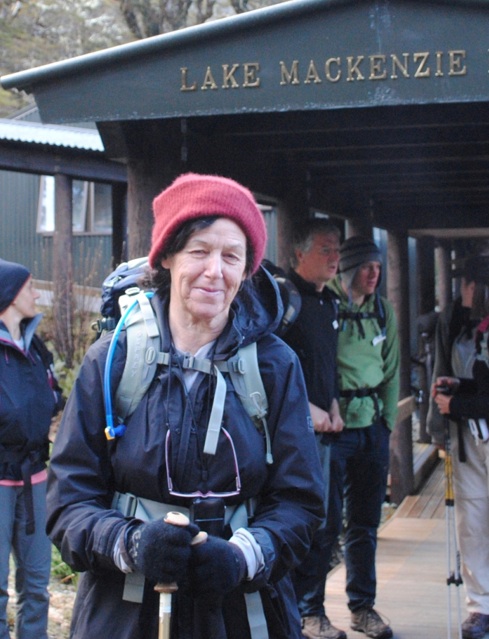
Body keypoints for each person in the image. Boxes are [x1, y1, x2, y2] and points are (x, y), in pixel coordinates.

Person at [46, 172, 325, 639]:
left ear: (247, 269)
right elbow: (69, 501)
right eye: (199, 250)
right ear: (168, 257)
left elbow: (301, 501)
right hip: (125, 615)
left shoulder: (275, 366)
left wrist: (242, 556)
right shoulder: (112, 361)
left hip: (243, 614)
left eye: (232, 256)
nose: (215, 270)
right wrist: (131, 544)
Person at [322, 236, 400, 639]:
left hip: (371, 428)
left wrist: (386, 424)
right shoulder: (327, 305)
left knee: (365, 523)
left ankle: (362, 607)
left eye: (379, 267)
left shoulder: (383, 313)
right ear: (350, 268)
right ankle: (310, 610)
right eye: (368, 267)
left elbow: (392, 372)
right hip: (334, 431)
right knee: (326, 520)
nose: (375, 274)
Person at [278, 220, 344, 639]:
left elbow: (326, 365)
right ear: (299, 254)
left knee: (329, 522)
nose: (335, 257)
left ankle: (313, 609)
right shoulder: (286, 301)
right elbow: (273, 365)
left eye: (337, 249)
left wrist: (334, 404)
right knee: (303, 521)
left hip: (329, 430)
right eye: (325, 249)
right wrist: (308, 409)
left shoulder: (330, 303)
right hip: (295, 432)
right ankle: (300, 613)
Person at [0, 259, 64, 639]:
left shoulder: (36, 346)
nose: (36, 293)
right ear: (8, 295)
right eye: (29, 287)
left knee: (38, 585)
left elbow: (51, 399)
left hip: (35, 479)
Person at [430, 254, 489, 639]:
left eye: (468, 283)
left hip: (473, 426)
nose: (462, 290)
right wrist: (458, 389)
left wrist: (458, 405)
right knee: (473, 522)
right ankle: (481, 606)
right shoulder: (459, 322)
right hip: (469, 440)